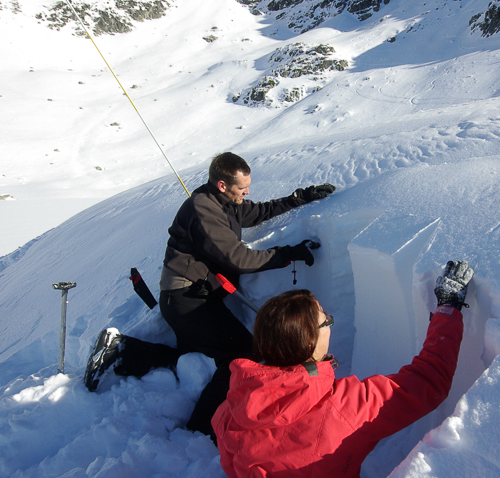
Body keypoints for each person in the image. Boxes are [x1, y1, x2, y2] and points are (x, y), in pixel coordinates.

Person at [212, 260, 474, 478]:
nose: (330, 324)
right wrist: (448, 307)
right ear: (310, 343)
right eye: (326, 321)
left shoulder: (234, 405)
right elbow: (428, 381)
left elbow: (237, 472)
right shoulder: (343, 408)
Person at [84, 152, 336, 441]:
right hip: (186, 298)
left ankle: (121, 352)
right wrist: (288, 254)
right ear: (222, 185)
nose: (247, 192)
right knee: (243, 353)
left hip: (193, 297)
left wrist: (297, 199)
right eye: (242, 188)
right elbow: (239, 258)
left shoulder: (226, 203)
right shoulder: (203, 211)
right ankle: (202, 428)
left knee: (196, 352)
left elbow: (258, 212)